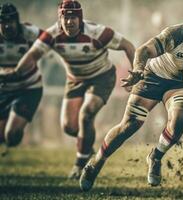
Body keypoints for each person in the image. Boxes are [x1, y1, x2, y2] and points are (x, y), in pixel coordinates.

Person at [79, 6, 183, 191]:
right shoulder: (176, 33)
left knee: (180, 118)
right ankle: (96, 162)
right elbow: (143, 50)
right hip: (153, 76)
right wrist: (139, 70)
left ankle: (155, 156)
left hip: (179, 84)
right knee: (129, 125)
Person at [3, 0, 135, 179]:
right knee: (69, 127)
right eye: (66, 17)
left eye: (74, 17)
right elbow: (33, 55)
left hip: (101, 77)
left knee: (86, 114)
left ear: (80, 19)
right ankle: (87, 149)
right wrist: (16, 72)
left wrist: (136, 73)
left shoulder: (97, 32)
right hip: (74, 80)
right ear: (60, 19)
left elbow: (128, 46)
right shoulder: (52, 34)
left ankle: (80, 165)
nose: (70, 22)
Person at [0, 3, 43, 150]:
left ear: (16, 21)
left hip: (28, 88)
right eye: (3, 22)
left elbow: (52, 40)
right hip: (4, 89)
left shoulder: (30, 32)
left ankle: (16, 129)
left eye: (10, 22)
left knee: (11, 136)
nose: (7, 26)